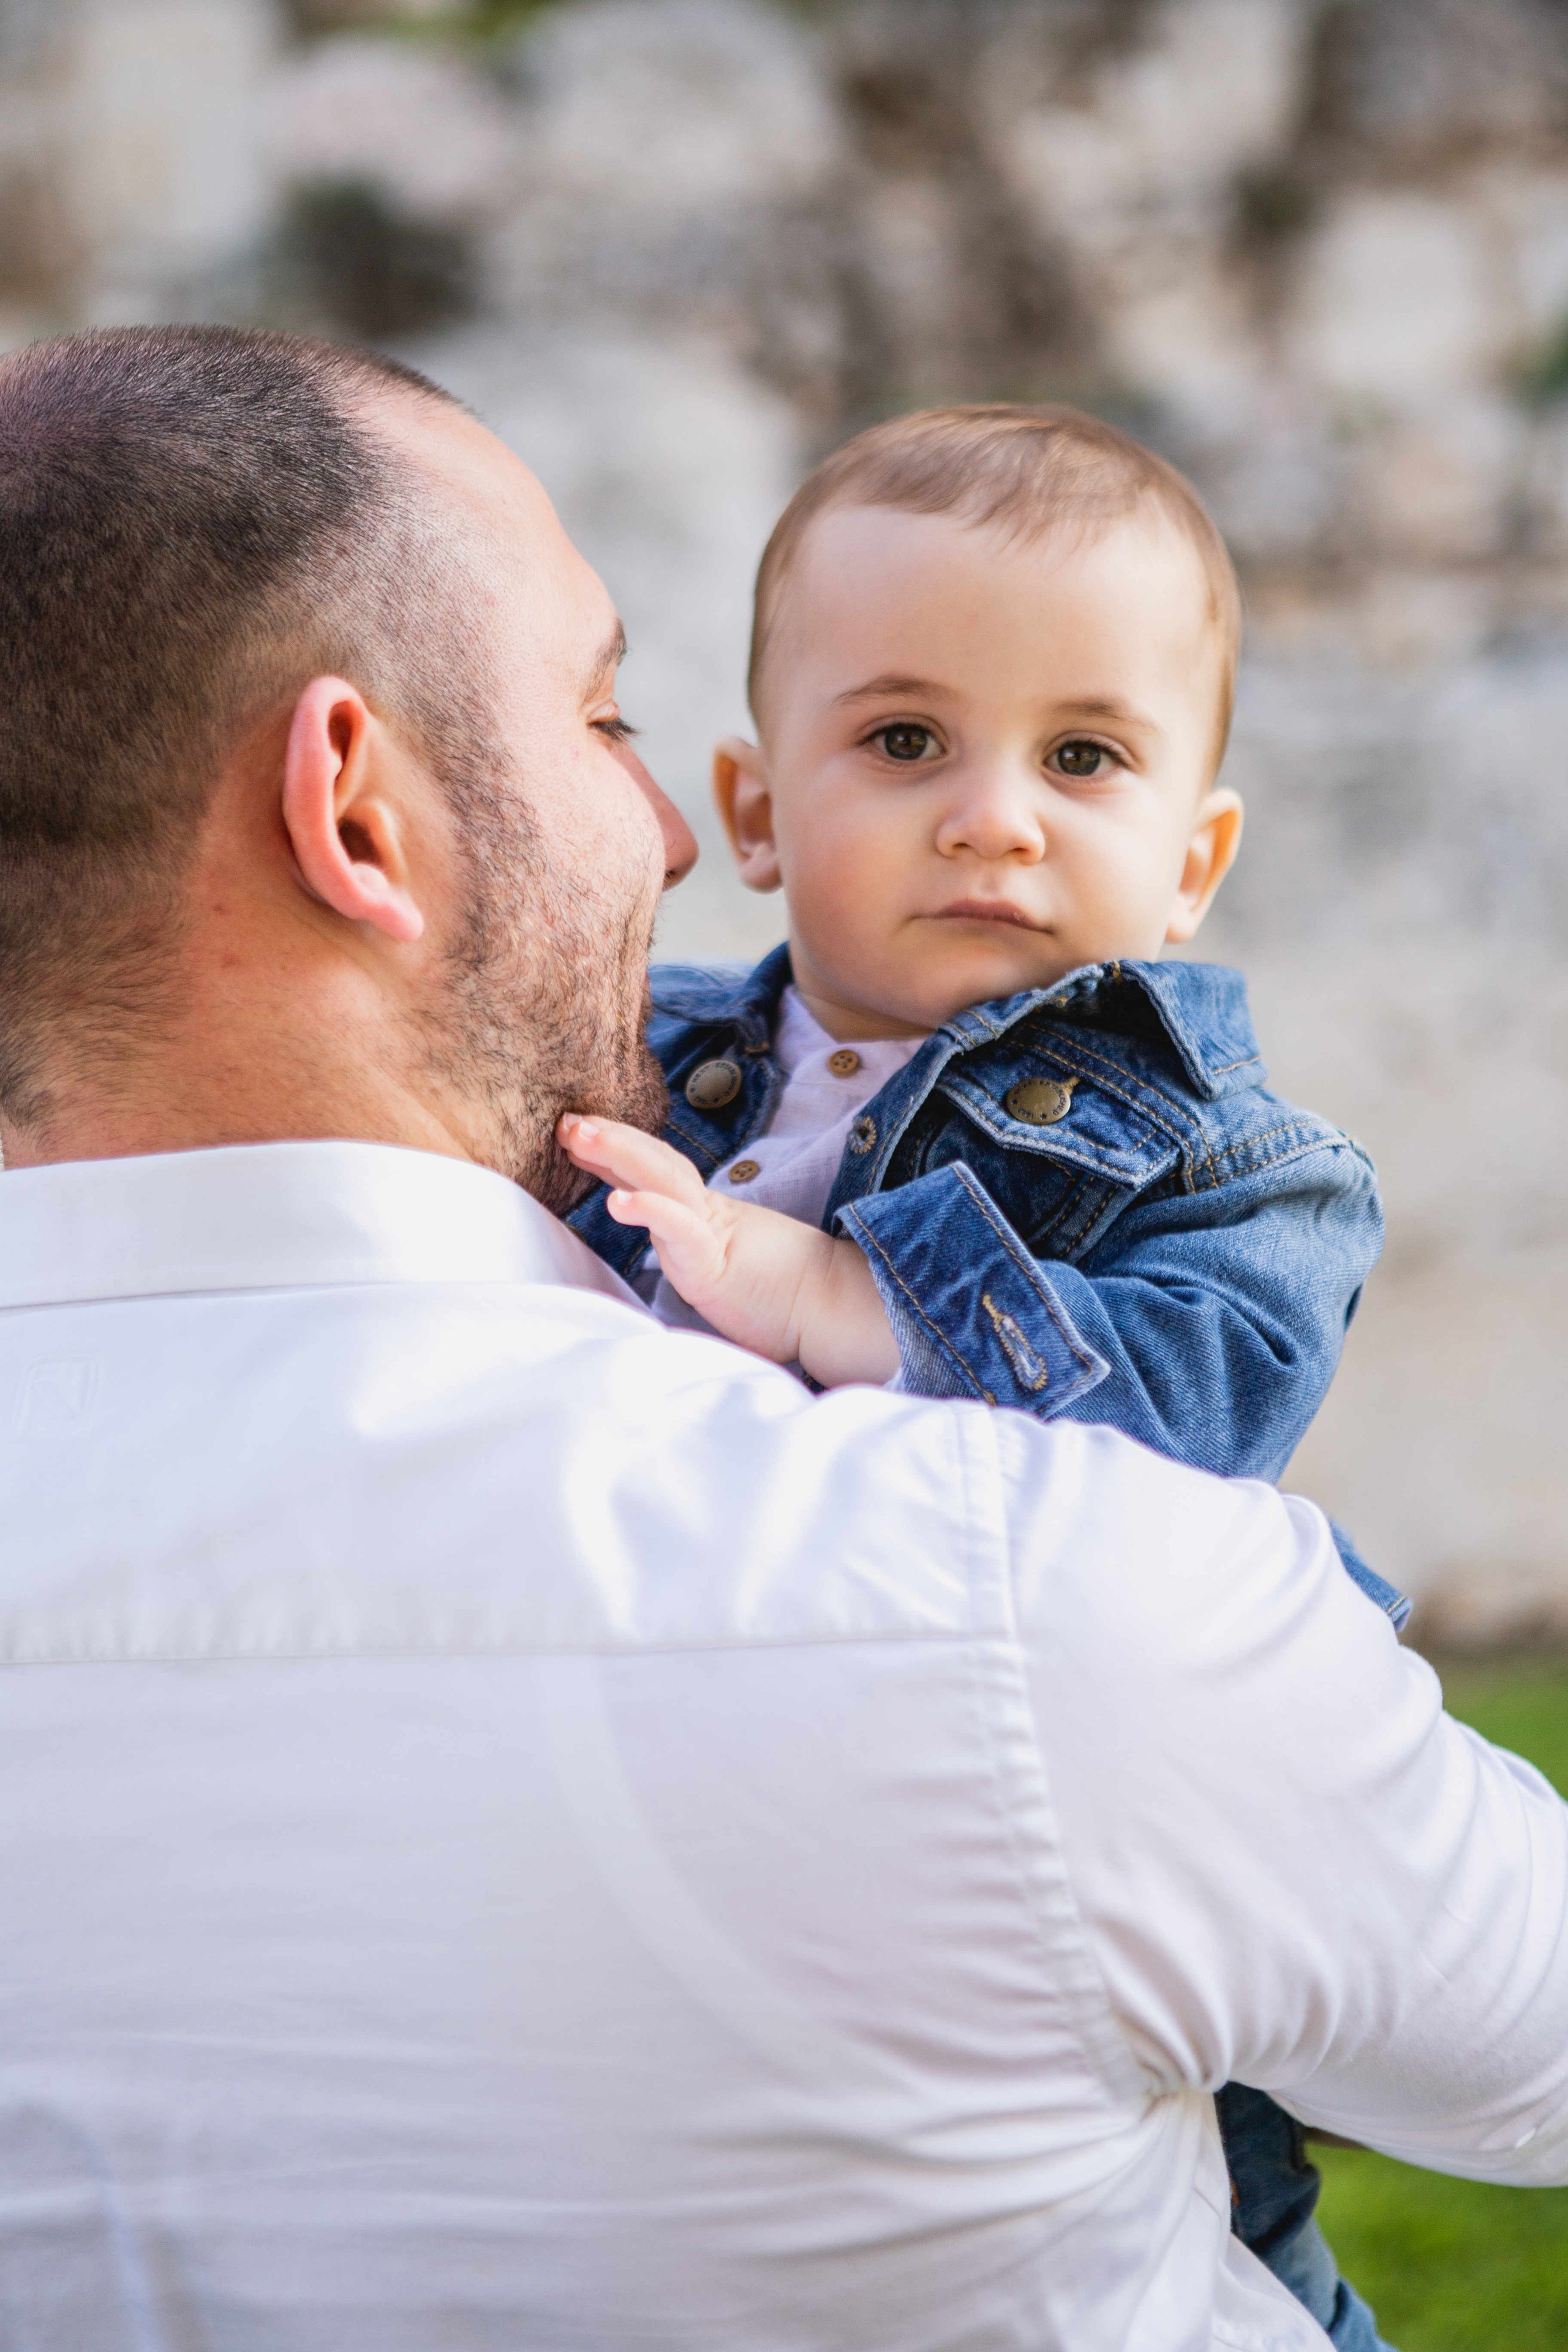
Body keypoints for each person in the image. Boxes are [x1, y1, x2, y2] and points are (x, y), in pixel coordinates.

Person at [0, 326, 1566, 2352]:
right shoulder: (1044, 1597)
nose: (660, 830)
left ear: (1194, 852)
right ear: (358, 816)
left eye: (1083, 758)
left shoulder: (1195, 1180)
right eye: (602, 716)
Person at [560, 406, 1400, 2340]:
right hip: (698, 1796)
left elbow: (1181, 1431)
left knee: (1213, 2245)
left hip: (1048, 1839)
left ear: (1191, 859)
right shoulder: (622, 1062)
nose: (995, 816)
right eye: (904, 742)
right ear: (756, 812)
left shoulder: (1244, 1173)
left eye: (1082, 757)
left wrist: (850, 1302)